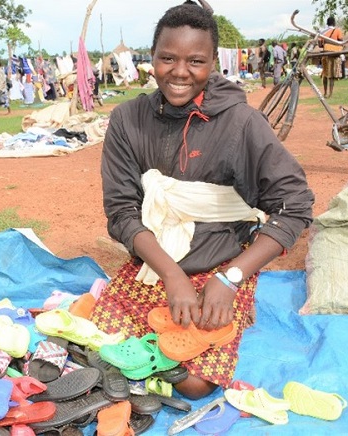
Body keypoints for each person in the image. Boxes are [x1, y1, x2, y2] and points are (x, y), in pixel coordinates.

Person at [90, 0, 314, 400]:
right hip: (154, 263)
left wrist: (231, 279)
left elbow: (294, 204)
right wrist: (172, 275)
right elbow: (121, 212)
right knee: (99, 339)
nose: (179, 72)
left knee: (195, 384)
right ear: (152, 59)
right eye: (167, 58)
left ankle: (225, 313)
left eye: (195, 61)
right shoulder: (127, 119)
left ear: (214, 64)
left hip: (222, 263)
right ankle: (142, 366)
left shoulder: (242, 122)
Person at [320, 16, 344, 98]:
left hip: (325, 54)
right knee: (332, 75)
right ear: (334, 23)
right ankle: (330, 93)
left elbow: (320, 44)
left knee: (325, 74)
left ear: (327, 23)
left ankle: (325, 92)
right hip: (334, 54)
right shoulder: (338, 31)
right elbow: (341, 42)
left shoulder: (323, 32)